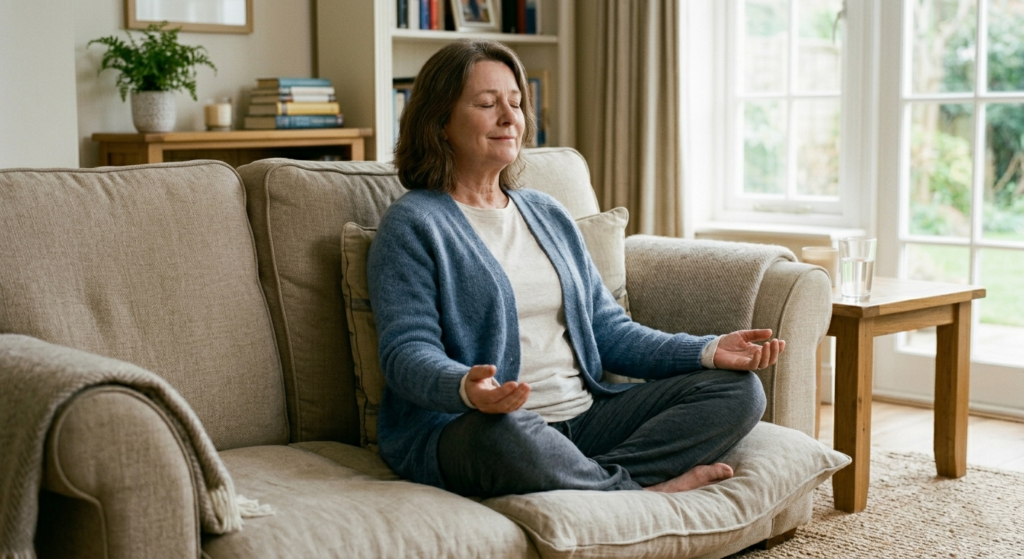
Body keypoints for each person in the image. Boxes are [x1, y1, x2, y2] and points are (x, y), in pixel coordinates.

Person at [367, 40, 784, 498]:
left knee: (738, 391)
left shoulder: (546, 212)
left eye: (516, 103)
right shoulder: (414, 224)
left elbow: (609, 331)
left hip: (588, 417)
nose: (510, 117)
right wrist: (465, 387)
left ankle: (594, 480)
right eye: (487, 104)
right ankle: (638, 493)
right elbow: (406, 351)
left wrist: (708, 351)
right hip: (483, 426)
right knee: (507, 437)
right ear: (440, 122)